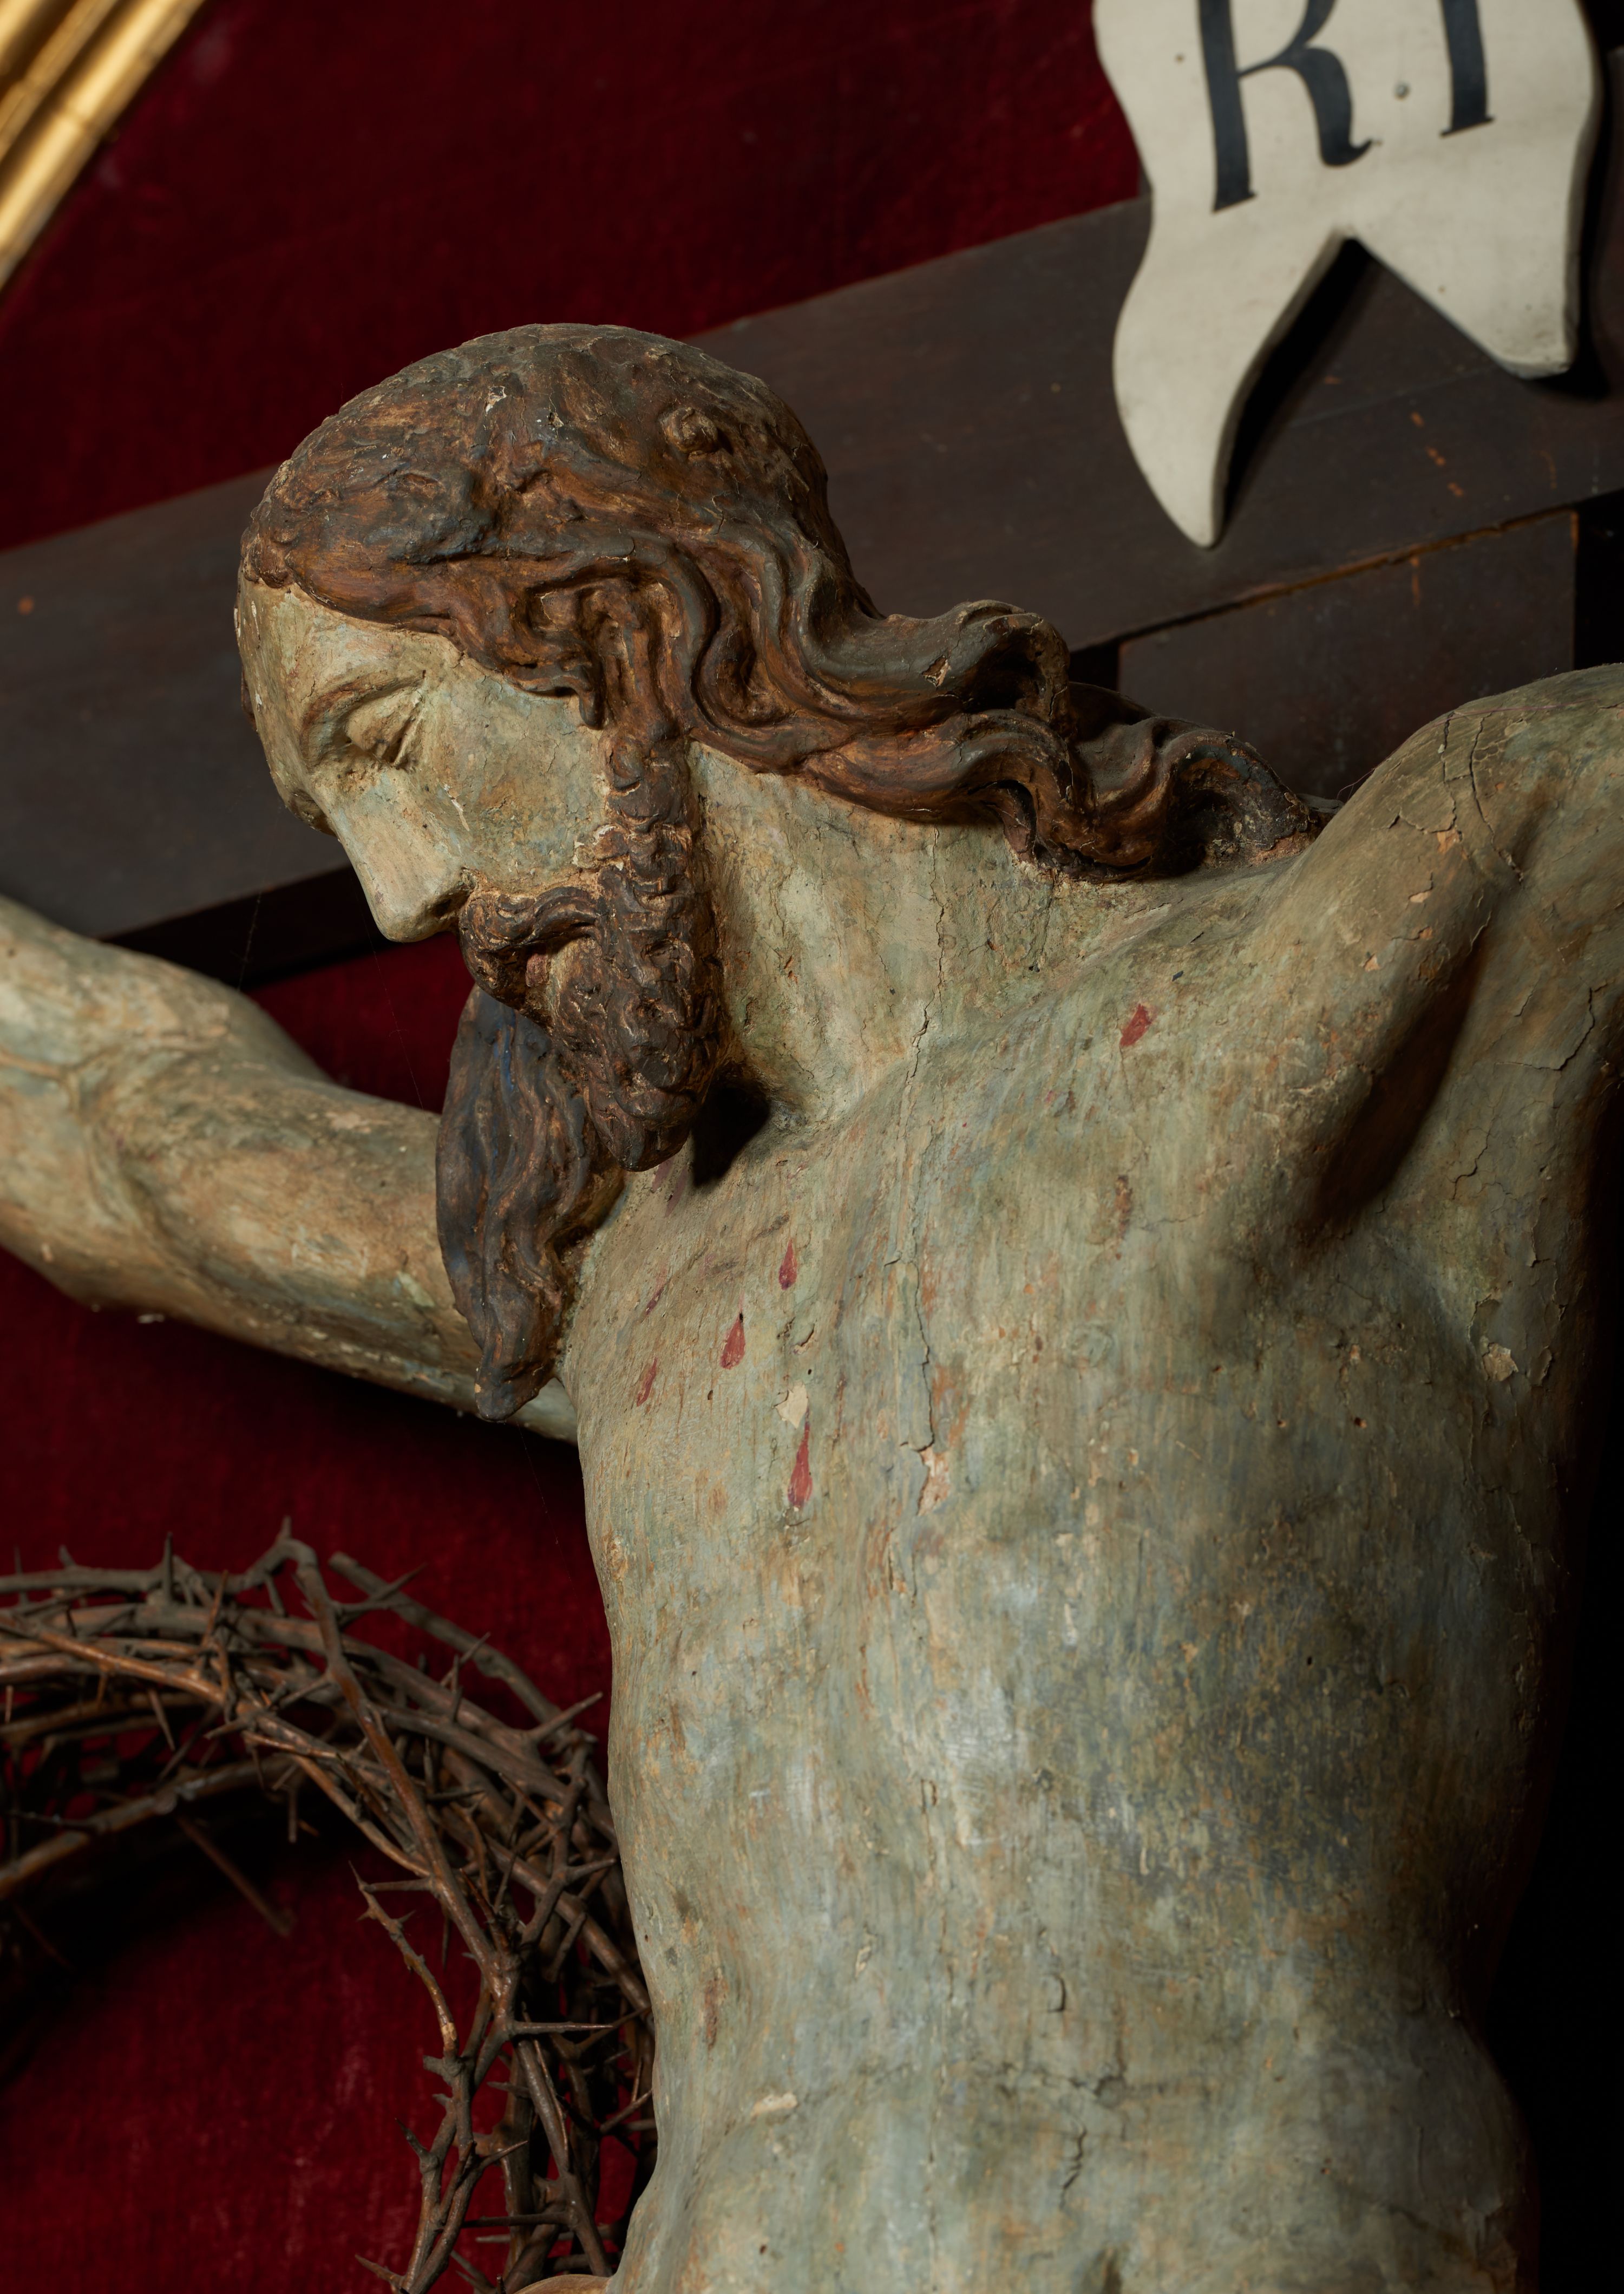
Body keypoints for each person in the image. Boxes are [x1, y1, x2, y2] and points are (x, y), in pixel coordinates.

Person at [2, 323, 1618, 2292]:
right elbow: (125, 1135)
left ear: (632, 624)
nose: (400, 895)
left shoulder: (1336, 991)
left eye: (388, 744)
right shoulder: (630, 1274)